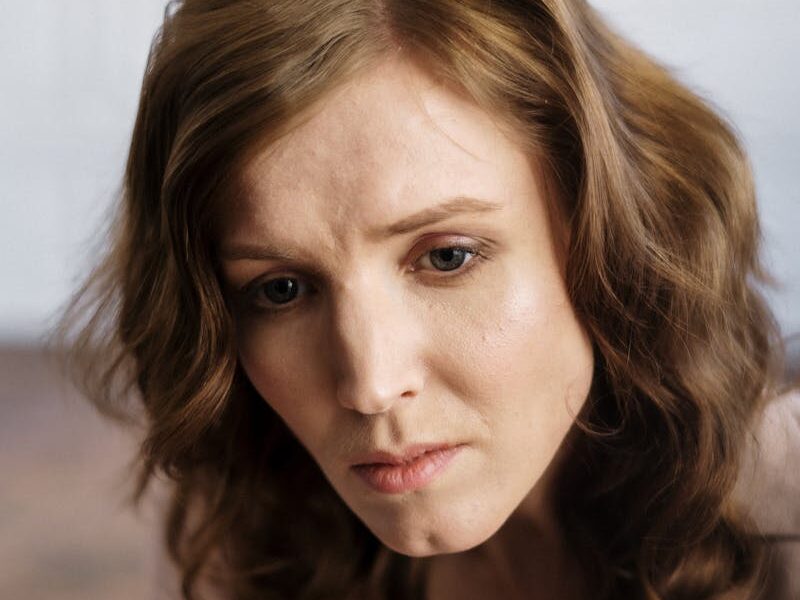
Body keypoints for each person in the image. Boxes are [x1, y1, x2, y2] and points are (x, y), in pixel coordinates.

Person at [57, 1, 799, 598]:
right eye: (281, 290)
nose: (371, 385)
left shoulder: (784, 522)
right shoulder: (232, 546)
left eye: (447, 258)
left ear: (607, 236)